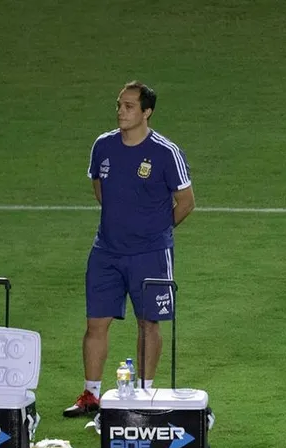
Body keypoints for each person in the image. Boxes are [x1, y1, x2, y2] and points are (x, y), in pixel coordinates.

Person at [63, 81, 196, 417]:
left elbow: (186, 201)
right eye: (119, 105)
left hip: (150, 255)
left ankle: (144, 392)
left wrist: (154, 231)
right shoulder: (103, 146)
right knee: (95, 323)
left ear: (146, 112)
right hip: (106, 251)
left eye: (129, 106)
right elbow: (99, 187)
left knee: (148, 323)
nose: (121, 111)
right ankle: (91, 395)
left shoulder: (166, 152)